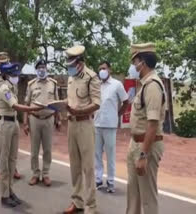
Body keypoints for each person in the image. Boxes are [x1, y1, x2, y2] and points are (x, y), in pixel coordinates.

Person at [0, 63, 43, 207]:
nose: (16, 77)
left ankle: (10, 190)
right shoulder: (4, 89)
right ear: (7, 75)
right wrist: (32, 109)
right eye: (14, 74)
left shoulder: (13, 87)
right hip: (4, 125)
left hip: (13, 123)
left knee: (12, 160)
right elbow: (15, 106)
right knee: (4, 161)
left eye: (16, 74)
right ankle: (4, 195)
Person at [126, 43, 166, 214]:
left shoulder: (152, 86)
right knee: (133, 194)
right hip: (136, 144)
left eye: (134, 61)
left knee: (147, 198)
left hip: (146, 147)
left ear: (142, 62)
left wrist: (143, 155)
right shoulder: (145, 85)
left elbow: (152, 124)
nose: (133, 66)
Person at [63, 45, 101, 214]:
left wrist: (78, 111)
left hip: (85, 124)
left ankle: (91, 206)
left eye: (71, 64)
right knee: (75, 166)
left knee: (88, 167)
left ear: (79, 63)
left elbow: (96, 103)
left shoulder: (91, 77)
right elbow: (71, 99)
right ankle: (77, 201)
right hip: (71, 124)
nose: (69, 68)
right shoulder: (71, 78)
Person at [23, 59, 61, 187]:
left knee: (48, 149)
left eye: (43, 67)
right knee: (34, 149)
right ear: (36, 70)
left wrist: (58, 119)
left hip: (49, 119)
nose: (41, 69)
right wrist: (25, 123)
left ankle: (45, 174)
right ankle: (35, 174)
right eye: (39, 67)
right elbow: (26, 104)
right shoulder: (31, 84)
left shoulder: (53, 84)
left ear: (46, 68)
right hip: (34, 119)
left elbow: (57, 103)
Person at [94, 61, 129, 193]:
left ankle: (110, 181)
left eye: (104, 68)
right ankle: (98, 179)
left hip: (110, 125)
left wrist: (118, 114)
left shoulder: (117, 85)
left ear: (110, 69)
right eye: (100, 69)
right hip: (97, 124)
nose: (101, 71)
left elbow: (126, 101)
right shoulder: (96, 85)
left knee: (110, 155)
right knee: (97, 154)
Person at [0, 52, 20, 182]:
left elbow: (15, 97)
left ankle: (13, 168)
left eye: (5, 62)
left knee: (11, 143)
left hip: (11, 112)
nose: (3, 64)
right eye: (1, 62)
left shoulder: (12, 77)